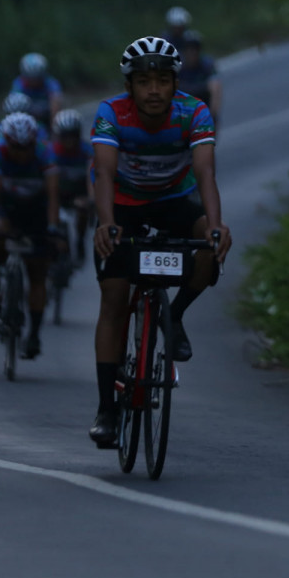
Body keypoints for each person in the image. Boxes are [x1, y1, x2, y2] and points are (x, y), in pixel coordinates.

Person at [87, 36, 231, 446]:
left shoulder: (194, 111)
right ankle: (106, 410)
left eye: (163, 81)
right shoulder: (111, 112)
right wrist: (106, 223)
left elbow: (205, 172)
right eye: (144, 82)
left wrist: (217, 225)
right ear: (129, 86)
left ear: (175, 84)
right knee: (114, 299)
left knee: (209, 245)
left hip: (174, 200)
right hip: (124, 205)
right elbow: (104, 172)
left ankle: (175, 316)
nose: (154, 90)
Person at [0, 112, 62, 359]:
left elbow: (53, 196)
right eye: (16, 147)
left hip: (37, 208)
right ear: (7, 143)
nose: (22, 153)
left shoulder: (45, 152)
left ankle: (34, 334)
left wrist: (53, 229)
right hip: (8, 206)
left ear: (34, 142)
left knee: (37, 272)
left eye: (27, 147)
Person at [50, 108, 94, 263]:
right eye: (65, 136)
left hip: (79, 193)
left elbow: (91, 177)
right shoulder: (51, 152)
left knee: (82, 208)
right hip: (58, 193)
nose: (69, 140)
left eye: (72, 135)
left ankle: (80, 239)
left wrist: (91, 199)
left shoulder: (87, 151)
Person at [177, 29, 222, 129]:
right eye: (189, 49)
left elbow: (215, 87)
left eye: (195, 49)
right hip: (184, 105)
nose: (192, 52)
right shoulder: (178, 67)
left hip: (204, 103)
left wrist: (212, 114)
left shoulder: (207, 64)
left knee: (214, 86)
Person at [10, 52, 63, 130]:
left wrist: (54, 128)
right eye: (31, 79)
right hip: (26, 120)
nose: (34, 82)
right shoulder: (18, 84)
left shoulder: (51, 83)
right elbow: (13, 106)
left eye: (37, 78)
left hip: (47, 119)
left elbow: (56, 103)